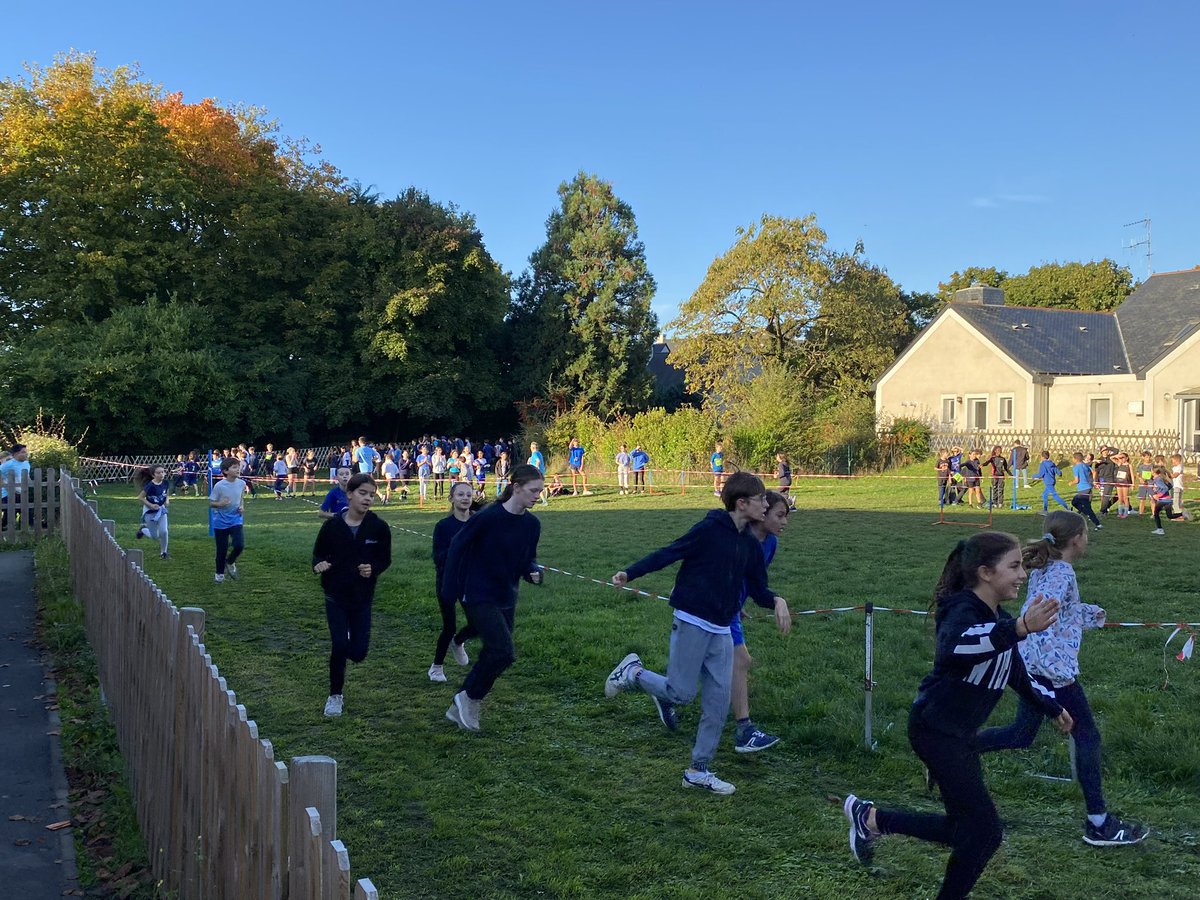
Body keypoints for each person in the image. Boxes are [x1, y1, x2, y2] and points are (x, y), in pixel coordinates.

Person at [842, 531, 1071, 898]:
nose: (1022, 575)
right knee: (984, 833)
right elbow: (955, 647)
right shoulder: (962, 611)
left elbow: (1014, 672)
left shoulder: (999, 618)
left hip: (958, 734)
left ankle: (871, 819)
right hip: (935, 729)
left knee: (969, 830)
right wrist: (1019, 628)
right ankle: (874, 822)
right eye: (1014, 566)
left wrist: (1052, 707)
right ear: (986, 572)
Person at [605, 472, 791, 795]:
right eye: (761, 499)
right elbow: (670, 552)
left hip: (722, 628)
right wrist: (630, 573)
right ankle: (633, 673)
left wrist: (777, 600)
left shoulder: (750, 544)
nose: (766, 503)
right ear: (742, 503)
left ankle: (697, 771)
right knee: (680, 693)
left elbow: (758, 589)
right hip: (692, 620)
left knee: (717, 704)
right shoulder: (709, 530)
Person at [975, 512, 1148, 846]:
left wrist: (1091, 614)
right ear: (1077, 539)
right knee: (1087, 736)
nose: (1088, 539)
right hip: (1051, 671)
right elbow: (1039, 611)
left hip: (1033, 666)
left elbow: (1060, 611)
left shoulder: (1046, 567)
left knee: (1021, 734)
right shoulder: (1061, 571)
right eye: (1086, 533)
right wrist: (1050, 668)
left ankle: (955, 750)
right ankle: (1098, 823)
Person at [442, 464, 544, 732]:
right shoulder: (488, 517)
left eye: (540, 491)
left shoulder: (532, 525)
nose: (538, 496)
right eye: (533, 490)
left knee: (497, 654)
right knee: (503, 651)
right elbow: (456, 547)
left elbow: (527, 559)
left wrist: (533, 571)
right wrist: (449, 588)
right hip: (478, 593)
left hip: (506, 595)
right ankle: (470, 698)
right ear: (516, 487)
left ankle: (462, 701)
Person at [312, 473, 392, 717]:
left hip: (362, 598)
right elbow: (318, 554)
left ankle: (347, 644)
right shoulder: (332, 526)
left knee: (358, 653)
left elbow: (385, 559)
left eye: (371, 495)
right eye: (362, 493)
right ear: (349, 494)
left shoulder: (379, 527)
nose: (367, 499)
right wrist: (318, 564)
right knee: (339, 646)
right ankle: (335, 695)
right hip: (335, 595)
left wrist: (373, 568)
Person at [731, 490, 790, 753]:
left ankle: (652, 684)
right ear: (763, 513)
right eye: (780, 515)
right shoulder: (736, 537)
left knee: (698, 672)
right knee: (741, 660)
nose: (784, 522)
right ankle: (744, 731)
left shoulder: (771, 544)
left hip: (731, 608)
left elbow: (755, 582)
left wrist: (742, 603)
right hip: (715, 607)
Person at [429, 481, 481, 683]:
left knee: (477, 624)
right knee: (449, 626)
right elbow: (438, 558)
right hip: (448, 581)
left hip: (471, 581)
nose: (465, 498)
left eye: (468, 494)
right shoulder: (443, 526)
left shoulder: (477, 523)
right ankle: (436, 668)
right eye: (460, 494)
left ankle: (458, 642)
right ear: (451, 498)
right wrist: (456, 546)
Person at [209, 457, 249, 583]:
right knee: (222, 549)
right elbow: (211, 503)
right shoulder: (219, 486)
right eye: (234, 467)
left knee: (239, 545)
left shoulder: (241, 483)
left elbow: (241, 498)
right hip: (220, 521)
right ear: (225, 471)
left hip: (236, 519)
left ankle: (230, 561)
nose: (238, 469)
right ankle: (219, 575)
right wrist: (220, 504)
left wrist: (241, 507)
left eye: (238, 467)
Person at [134, 465, 171, 559]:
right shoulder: (150, 486)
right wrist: (151, 505)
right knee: (155, 536)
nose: (161, 474)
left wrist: (167, 500)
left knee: (164, 531)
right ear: (153, 475)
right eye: (158, 473)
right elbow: (140, 497)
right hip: (149, 512)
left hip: (161, 510)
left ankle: (164, 553)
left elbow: (166, 492)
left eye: (163, 472)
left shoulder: (165, 483)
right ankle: (143, 529)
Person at [1151, 466, 1192, 535]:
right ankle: (1183, 514)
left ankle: (1160, 529)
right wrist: (1157, 489)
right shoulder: (1162, 478)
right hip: (1168, 500)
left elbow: (1165, 488)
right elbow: (1170, 486)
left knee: (1156, 513)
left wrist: (1158, 495)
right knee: (1169, 516)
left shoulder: (1157, 479)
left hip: (1163, 500)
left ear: (1154, 472)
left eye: (1151, 470)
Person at [0, 443, 31, 532]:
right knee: (15, 510)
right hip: (7, 494)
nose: (26, 454)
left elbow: (27, 478)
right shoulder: (8, 464)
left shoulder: (27, 464)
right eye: (23, 452)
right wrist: (8, 488)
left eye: (26, 452)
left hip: (22, 492)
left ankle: (8, 527)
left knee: (24, 510)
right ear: (16, 454)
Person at [1069, 452, 1102, 529]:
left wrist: (1071, 483)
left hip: (1083, 489)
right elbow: (1094, 472)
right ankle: (1088, 514)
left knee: (1087, 507)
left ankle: (1097, 523)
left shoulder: (1076, 467)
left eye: (1073, 458)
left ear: (1075, 459)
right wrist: (1093, 481)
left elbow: (1077, 480)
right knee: (1074, 502)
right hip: (1088, 488)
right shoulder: (1085, 465)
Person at [1032, 450, 1070, 514]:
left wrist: (1034, 476)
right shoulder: (1052, 463)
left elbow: (1041, 474)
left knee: (1055, 496)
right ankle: (1045, 510)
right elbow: (1059, 473)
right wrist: (1059, 473)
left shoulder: (1043, 464)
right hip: (1052, 481)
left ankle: (1067, 508)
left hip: (1048, 482)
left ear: (1042, 457)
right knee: (1044, 495)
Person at [1095, 447, 1117, 516]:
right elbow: (1096, 472)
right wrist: (1096, 481)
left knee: (1107, 495)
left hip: (1110, 478)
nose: (1105, 451)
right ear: (1101, 452)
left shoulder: (1111, 458)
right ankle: (1105, 509)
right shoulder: (1099, 460)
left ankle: (1103, 510)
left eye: (1106, 450)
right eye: (1104, 450)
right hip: (1101, 479)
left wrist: (1107, 447)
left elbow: (1116, 450)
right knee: (1103, 496)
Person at [1136, 450, 1155, 517]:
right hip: (1142, 484)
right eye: (1146, 457)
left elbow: (1155, 474)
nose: (1148, 458)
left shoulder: (1152, 465)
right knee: (1142, 499)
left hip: (1150, 483)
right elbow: (1138, 474)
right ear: (1143, 457)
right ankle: (1141, 513)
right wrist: (1140, 479)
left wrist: (1152, 474)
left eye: (1149, 457)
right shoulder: (1140, 466)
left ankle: (1154, 513)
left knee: (1152, 499)